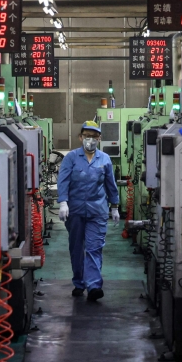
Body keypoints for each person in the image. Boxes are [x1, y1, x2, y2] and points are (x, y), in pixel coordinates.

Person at [56, 120, 121, 302]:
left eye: (93, 137)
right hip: (75, 211)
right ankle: (79, 282)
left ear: (99, 138)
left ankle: (93, 285)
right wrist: (63, 202)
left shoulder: (105, 159)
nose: (90, 140)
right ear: (80, 137)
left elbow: (111, 185)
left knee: (94, 247)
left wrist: (114, 206)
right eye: (86, 136)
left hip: (97, 211)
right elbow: (63, 181)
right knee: (77, 248)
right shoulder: (71, 158)